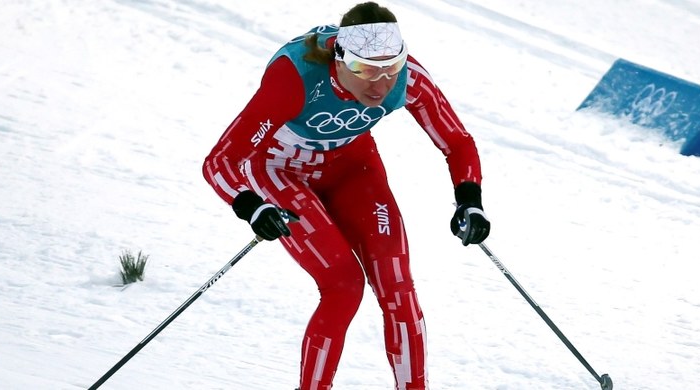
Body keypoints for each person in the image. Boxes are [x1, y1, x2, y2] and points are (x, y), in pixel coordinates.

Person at [202, 2, 491, 389]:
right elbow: (220, 161)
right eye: (365, 70)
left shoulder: (408, 79)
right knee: (343, 287)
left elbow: (457, 140)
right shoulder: (296, 79)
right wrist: (251, 206)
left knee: (397, 286)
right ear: (339, 59)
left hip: (351, 167)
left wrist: (469, 200)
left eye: (391, 69)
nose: (380, 85)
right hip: (278, 169)